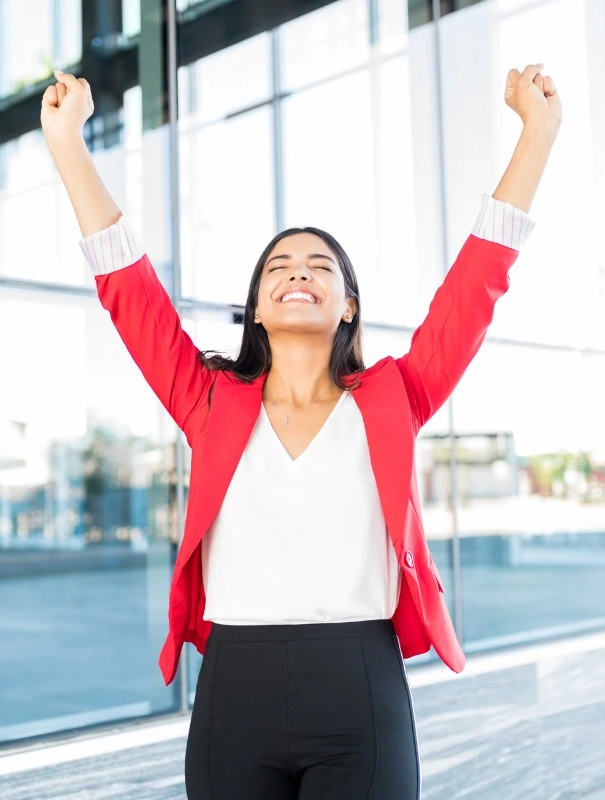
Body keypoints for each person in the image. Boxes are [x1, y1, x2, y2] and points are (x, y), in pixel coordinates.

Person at [42, 60, 561, 800]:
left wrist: (537, 133)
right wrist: (67, 142)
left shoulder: (394, 397)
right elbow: (129, 293)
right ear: (257, 306)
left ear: (347, 305)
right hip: (235, 695)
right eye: (280, 265)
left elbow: (476, 286)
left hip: (360, 690)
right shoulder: (208, 401)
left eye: (322, 266)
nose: (300, 271)